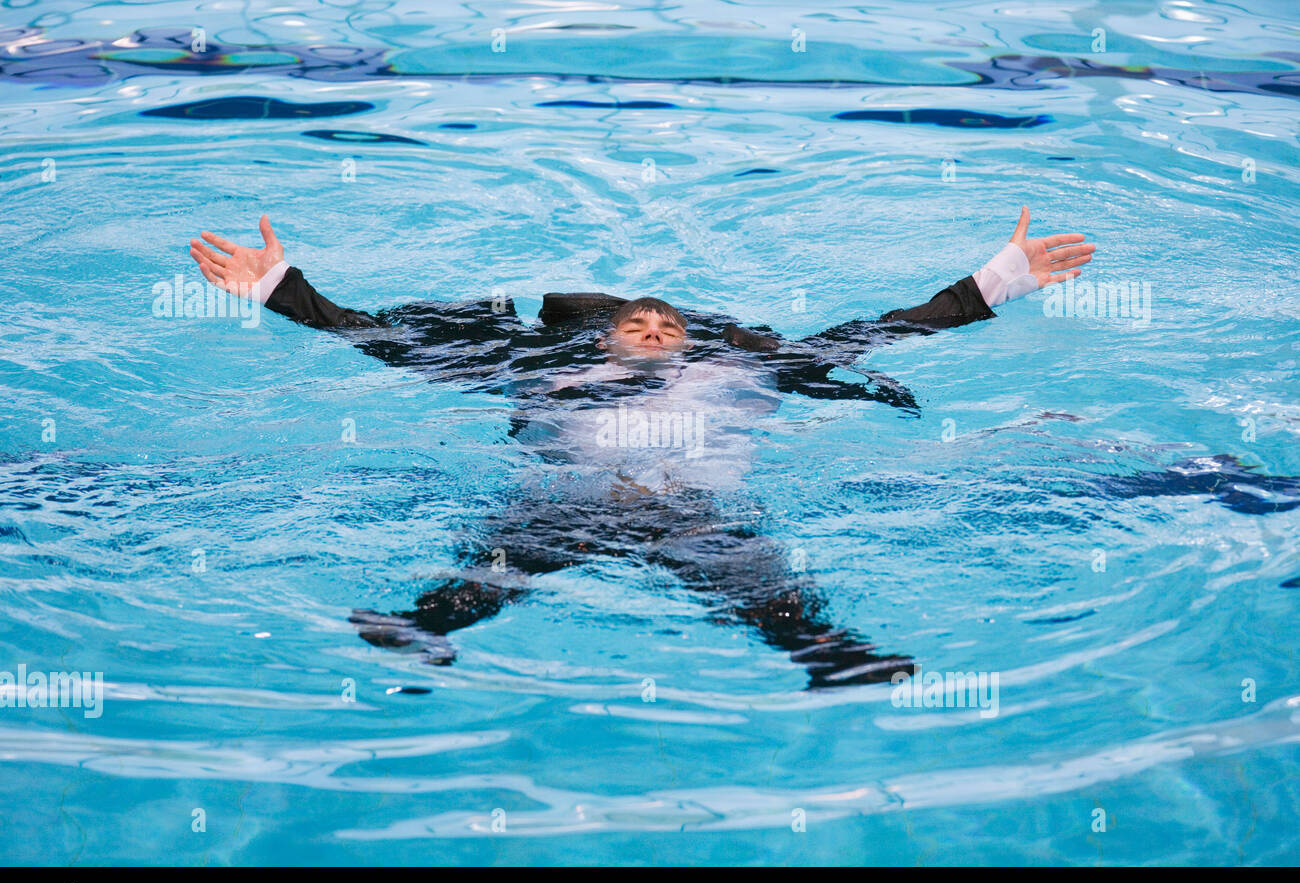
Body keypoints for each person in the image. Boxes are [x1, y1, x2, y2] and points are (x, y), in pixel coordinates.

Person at [189, 207, 1096, 688]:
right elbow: (390, 343)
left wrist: (991, 283)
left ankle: (826, 657)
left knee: (765, 589)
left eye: (668, 324)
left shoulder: (744, 369)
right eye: (637, 322)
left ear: (692, 340)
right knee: (497, 566)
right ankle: (425, 632)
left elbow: (877, 332)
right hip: (566, 504)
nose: (655, 329)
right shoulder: (537, 372)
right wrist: (281, 289)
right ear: (604, 338)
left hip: (694, 511)